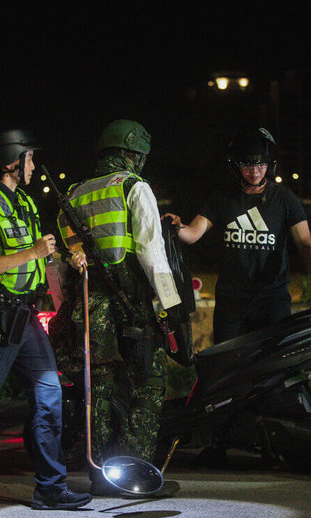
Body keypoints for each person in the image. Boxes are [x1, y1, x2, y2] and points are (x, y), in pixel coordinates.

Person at [164, 126, 311, 466]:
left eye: (259, 164)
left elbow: (305, 244)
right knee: (223, 374)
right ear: (236, 166)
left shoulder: (285, 199)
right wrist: (176, 227)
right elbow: (193, 234)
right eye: (246, 164)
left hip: (272, 300)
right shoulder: (223, 197)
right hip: (232, 302)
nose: (254, 171)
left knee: (271, 375)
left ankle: (270, 440)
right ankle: (218, 442)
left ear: (269, 165)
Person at [0, 128, 91, 510]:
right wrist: (32, 251)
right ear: (11, 160)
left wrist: (64, 272)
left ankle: (51, 487)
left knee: (49, 396)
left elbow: (44, 261)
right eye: (30, 157)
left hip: (26, 318)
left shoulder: (26, 204)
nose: (34, 165)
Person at [53, 119, 182, 496]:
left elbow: (62, 266)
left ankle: (101, 473)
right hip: (133, 306)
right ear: (133, 155)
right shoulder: (134, 187)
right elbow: (150, 252)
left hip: (90, 312)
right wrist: (169, 305)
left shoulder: (74, 194)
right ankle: (134, 475)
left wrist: (69, 310)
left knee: (98, 390)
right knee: (149, 382)